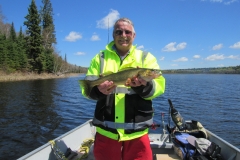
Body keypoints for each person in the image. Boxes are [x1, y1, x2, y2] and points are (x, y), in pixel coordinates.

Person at [81, 17, 165, 160]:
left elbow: (159, 88)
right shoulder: (99, 58)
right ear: (113, 35)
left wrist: (144, 86)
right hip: (106, 132)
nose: (123, 35)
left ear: (134, 35)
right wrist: (97, 90)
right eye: (119, 32)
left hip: (137, 133)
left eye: (127, 32)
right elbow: (87, 91)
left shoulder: (146, 58)